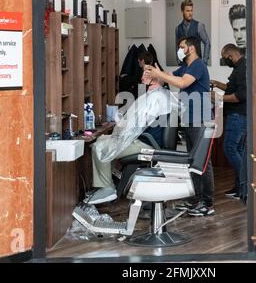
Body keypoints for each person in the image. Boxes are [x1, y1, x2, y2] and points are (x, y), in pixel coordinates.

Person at [145, 36, 215, 217]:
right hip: (191, 120)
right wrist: (155, 71)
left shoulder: (198, 65)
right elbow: (171, 77)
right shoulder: (186, 67)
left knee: (203, 163)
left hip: (201, 120)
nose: (180, 49)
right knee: (193, 161)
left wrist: (158, 74)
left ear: (190, 48)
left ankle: (207, 204)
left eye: (181, 47)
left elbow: (182, 83)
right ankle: (195, 200)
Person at [86, 70, 173, 205]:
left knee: (99, 147)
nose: (142, 76)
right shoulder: (157, 94)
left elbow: (139, 124)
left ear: (154, 79)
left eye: (146, 74)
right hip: (145, 139)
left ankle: (107, 188)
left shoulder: (156, 97)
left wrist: (122, 129)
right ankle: (108, 180)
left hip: (146, 143)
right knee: (101, 140)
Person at [211, 44, 247, 202]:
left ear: (230, 56)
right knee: (237, 150)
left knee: (230, 148)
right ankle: (239, 187)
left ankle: (245, 183)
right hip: (237, 115)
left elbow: (239, 96)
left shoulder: (242, 69)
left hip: (238, 115)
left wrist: (217, 98)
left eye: (225, 58)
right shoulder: (239, 68)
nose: (225, 61)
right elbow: (231, 88)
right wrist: (217, 84)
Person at [175, 0, 211, 65]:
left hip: (196, 63)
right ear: (182, 12)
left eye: (191, 10)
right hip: (183, 64)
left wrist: (205, 60)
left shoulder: (199, 25)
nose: (190, 13)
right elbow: (177, 45)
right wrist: (178, 60)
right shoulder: (178, 28)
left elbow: (207, 42)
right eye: (188, 11)